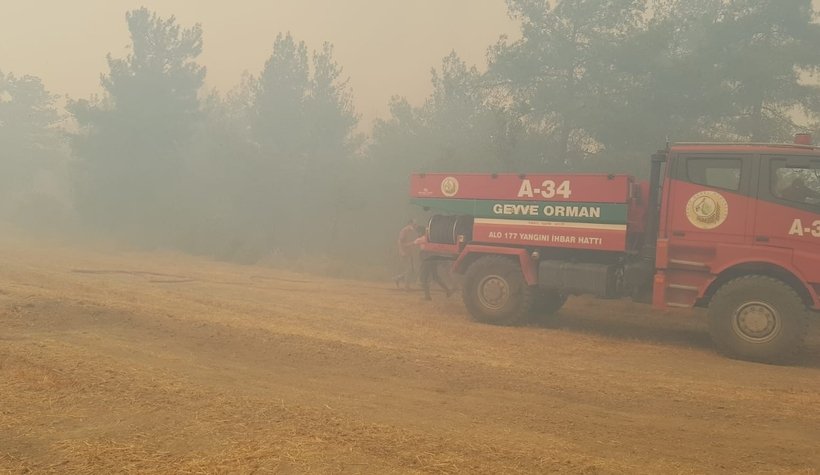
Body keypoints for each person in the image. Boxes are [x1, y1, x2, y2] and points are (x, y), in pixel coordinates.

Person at [414, 232, 453, 301]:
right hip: (433, 259)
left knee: (424, 278)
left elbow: (416, 242)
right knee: (435, 277)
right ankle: (447, 290)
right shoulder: (432, 238)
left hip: (427, 260)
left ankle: (427, 296)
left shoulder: (423, 238)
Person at [393, 219, 419, 290]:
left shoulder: (412, 231)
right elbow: (400, 241)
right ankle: (406, 286)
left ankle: (398, 278)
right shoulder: (404, 230)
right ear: (410, 223)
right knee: (409, 269)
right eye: (415, 223)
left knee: (411, 269)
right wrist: (401, 251)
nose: (416, 225)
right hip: (405, 252)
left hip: (410, 252)